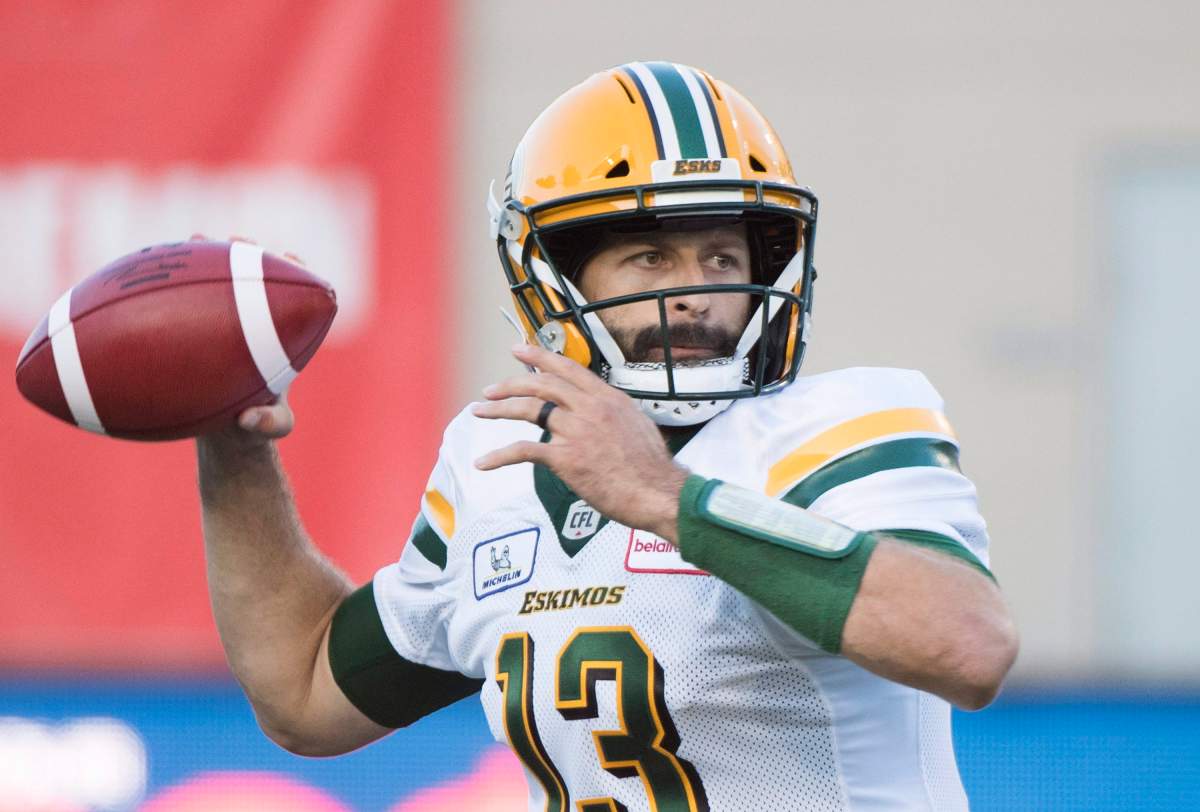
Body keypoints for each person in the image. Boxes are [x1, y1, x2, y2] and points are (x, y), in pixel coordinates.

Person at [197, 61, 1018, 811]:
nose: (696, 293)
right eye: (650, 258)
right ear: (556, 277)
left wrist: (666, 499)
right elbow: (304, 695)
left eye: (722, 255)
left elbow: (968, 645)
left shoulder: (838, 422)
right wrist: (233, 445)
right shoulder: (495, 467)